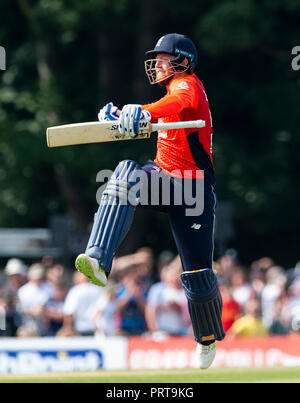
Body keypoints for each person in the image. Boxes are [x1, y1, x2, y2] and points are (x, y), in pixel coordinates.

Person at [75, 33, 225, 369]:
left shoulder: (188, 85)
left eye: (162, 58)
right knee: (126, 172)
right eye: (154, 59)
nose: (155, 64)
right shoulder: (167, 96)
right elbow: (145, 119)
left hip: (193, 191)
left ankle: (206, 337)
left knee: (198, 274)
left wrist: (140, 110)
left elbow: (171, 106)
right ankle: (99, 258)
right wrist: (118, 115)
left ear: (182, 62)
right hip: (162, 177)